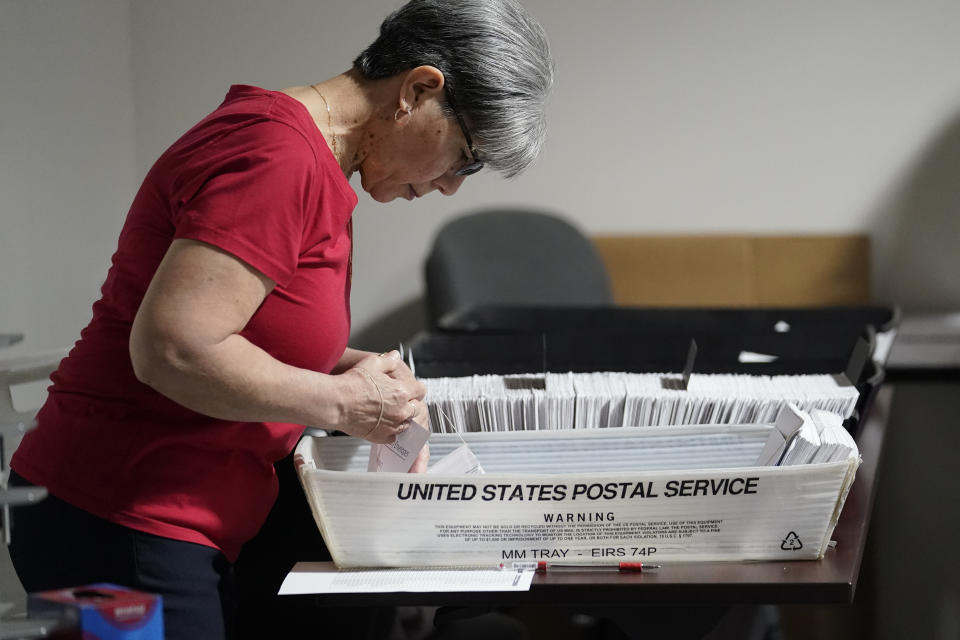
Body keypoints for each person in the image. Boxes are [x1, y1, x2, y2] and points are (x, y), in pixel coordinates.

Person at [7, 1, 554, 638]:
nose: (453, 186)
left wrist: (354, 371)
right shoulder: (277, 157)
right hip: (117, 515)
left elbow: (243, 330)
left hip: (157, 516)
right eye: (465, 158)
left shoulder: (308, 157)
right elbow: (173, 349)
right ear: (419, 90)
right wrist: (346, 405)